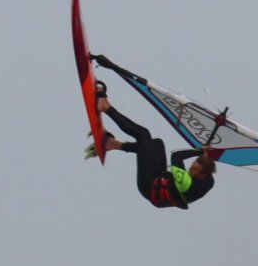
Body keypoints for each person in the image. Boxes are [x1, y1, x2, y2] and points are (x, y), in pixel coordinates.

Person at [90, 63, 216, 210]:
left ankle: (105, 107)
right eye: (193, 166)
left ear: (201, 175)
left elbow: (176, 156)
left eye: (194, 170)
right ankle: (114, 145)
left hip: (148, 185)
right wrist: (205, 155)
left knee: (144, 135)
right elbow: (207, 168)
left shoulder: (186, 182)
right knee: (156, 143)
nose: (190, 169)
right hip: (160, 177)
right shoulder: (208, 180)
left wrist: (200, 150)